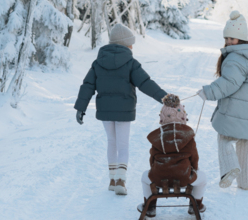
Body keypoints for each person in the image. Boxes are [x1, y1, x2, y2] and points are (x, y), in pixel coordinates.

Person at [75, 23, 174, 195]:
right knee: (123, 144)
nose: (132, 47)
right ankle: (121, 179)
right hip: (124, 110)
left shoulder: (98, 62)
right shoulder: (130, 62)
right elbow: (145, 83)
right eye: (131, 43)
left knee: (111, 142)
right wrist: (165, 98)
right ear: (125, 44)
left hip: (105, 110)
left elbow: (88, 85)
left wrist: (80, 108)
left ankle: (112, 180)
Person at [196, 11, 248, 190]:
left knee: (224, 139)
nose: (229, 42)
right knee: (245, 149)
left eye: (233, 39)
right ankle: (245, 183)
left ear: (242, 39)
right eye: (227, 38)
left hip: (233, 112)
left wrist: (208, 92)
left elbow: (228, 83)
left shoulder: (235, 59)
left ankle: (230, 168)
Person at [137, 95, 207, 217]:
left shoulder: (158, 136)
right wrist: (194, 169)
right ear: (183, 116)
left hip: (158, 178)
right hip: (184, 178)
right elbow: (194, 158)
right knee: (203, 178)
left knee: (144, 177)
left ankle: (150, 206)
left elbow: (152, 158)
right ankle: (196, 205)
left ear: (162, 117)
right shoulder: (188, 136)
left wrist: (155, 169)